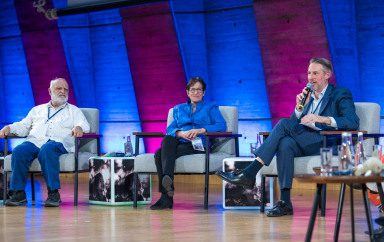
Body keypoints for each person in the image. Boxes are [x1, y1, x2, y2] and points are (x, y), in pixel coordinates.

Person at [217, 57, 359, 217]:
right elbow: (292, 126)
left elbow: (352, 121)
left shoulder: (340, 93)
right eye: (309, 73)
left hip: (326, 141)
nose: (310, 77)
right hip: (305, 139)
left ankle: (250, 172)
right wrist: (299, 109)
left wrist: (321, 118)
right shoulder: (309, 96)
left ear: (327, 75)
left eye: (315, 73)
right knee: (285, 143)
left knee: (283, 124)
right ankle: (285, 203)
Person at [0, 78, 90, 207]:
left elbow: (84, 125)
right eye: (59, 88)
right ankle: (18, 193)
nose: (63, 92)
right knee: (19, 151)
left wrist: (79, 128)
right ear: (50, 91)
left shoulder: (73, 110)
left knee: (47, 150)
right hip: (35, 141)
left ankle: (53, 193)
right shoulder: (37, 110)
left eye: (66, 89)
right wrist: (10, 128)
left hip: (58, 142)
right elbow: (24, 126)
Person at [150, 76, 227, 210]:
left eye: (199, 90)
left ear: (203, 92)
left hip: (199, 144)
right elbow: (170, 128)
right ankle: (167, 184)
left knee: (158, 154)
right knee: (168, 138)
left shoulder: (211, 107)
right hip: (180, 142)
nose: (195, 92)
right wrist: (181, 133)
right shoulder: (179, 109)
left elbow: (222, 125)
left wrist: (201, 130)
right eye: (193, 90)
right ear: (187, 92)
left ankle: (166, 197)